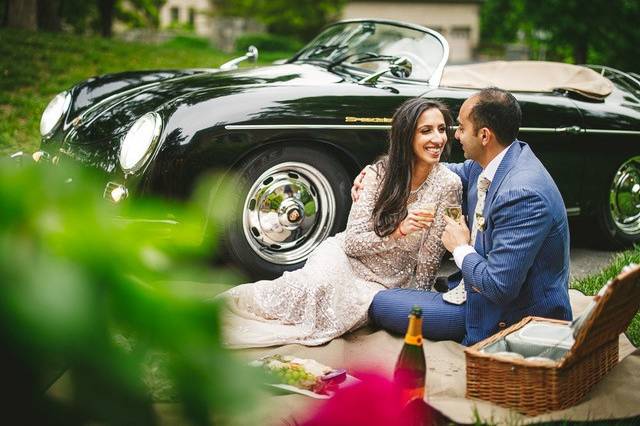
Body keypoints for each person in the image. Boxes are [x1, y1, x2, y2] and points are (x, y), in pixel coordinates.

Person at [218, 98, 463, 348]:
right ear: (405, 136)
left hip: (388, 280)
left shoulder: (449, 184)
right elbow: (353, 244)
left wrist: (417, 301)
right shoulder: (378, 175)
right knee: (307, 289)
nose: (438, 139)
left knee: (336, 315)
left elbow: (430, 256)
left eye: (442, 129)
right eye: (426, 130)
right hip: (345, 258)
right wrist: (399, 231)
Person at [354, 88, 572, 345]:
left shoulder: (522, 194)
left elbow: (499, 288)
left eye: (461, 128)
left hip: (507, 313)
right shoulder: (497, 162)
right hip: (471, 289)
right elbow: (438, 171)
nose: (454, 135)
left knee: (378, 302)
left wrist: (460, 248)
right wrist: (381, 171)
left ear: (484, 136)